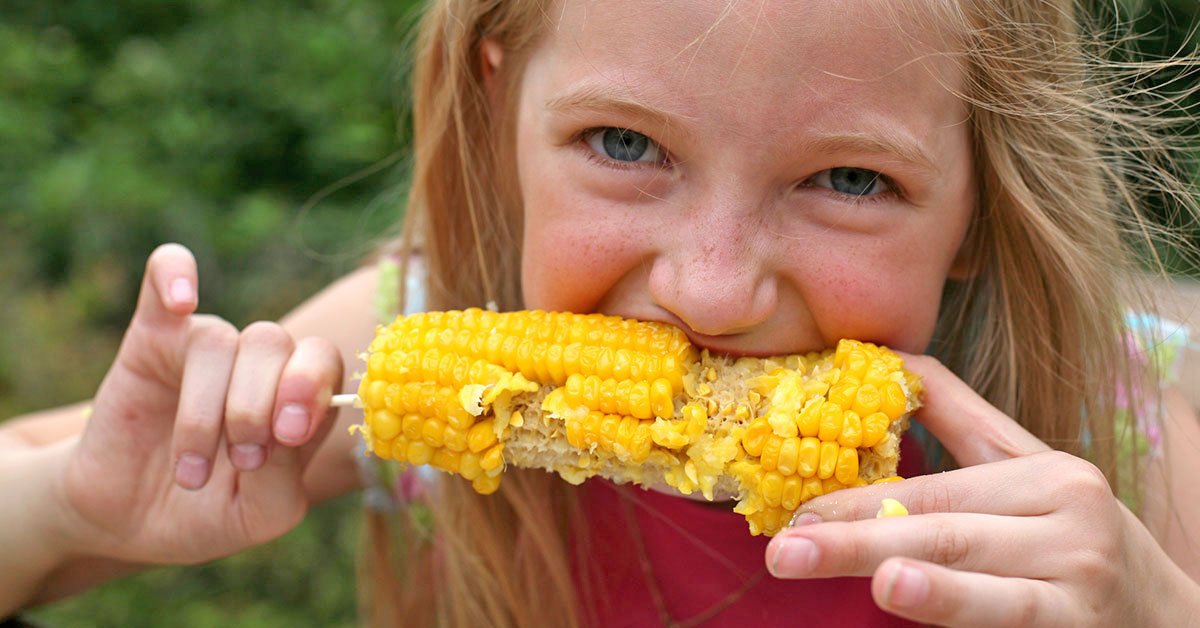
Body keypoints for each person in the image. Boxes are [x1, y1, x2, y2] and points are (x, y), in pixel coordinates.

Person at [3, 0, 1200, 625]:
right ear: (499, 105)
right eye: (625, 145)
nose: (713, 287)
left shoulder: (1107, 438)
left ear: (986, 202)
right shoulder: (400, 331)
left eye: (850, 180)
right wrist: (66, 509)